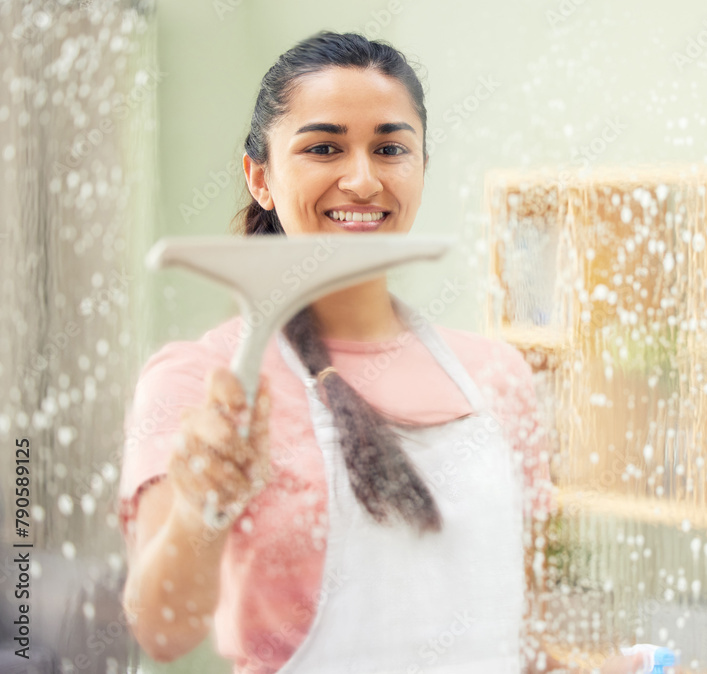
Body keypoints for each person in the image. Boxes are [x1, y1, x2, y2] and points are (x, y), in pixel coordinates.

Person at [118, 31, 644, 674]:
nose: (362, 180)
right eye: (324, 148)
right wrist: (203, 503)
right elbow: (163, 631)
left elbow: (515, 639)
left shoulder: (498, 377)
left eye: (390, 148)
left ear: (421, 166)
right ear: (260, 177)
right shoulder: (203, 381)